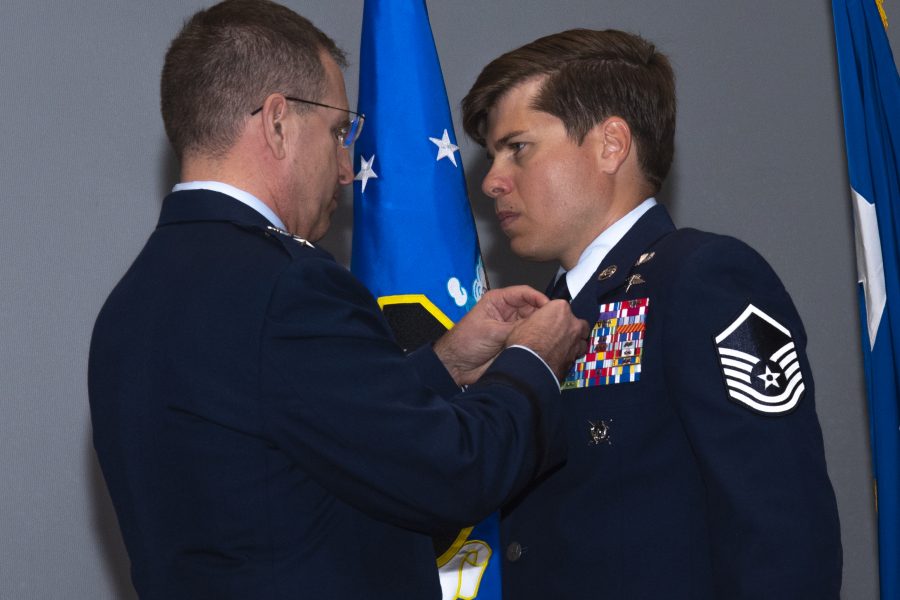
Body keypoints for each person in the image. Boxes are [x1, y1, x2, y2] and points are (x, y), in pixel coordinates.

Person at [87, 2, 589, 598]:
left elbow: (307, 430)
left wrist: (448, 362)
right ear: (277, 122)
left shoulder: (130, 302)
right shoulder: (288, 286)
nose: (348, 168)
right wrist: (531, 361)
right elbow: (453, 472)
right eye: (337, 131)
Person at [462, 28, 842, 598]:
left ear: (611, 144)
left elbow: (781, 525)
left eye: (518, 148)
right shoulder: (539, 319)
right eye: (494, 154)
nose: (493, 179)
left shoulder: (702, 278)